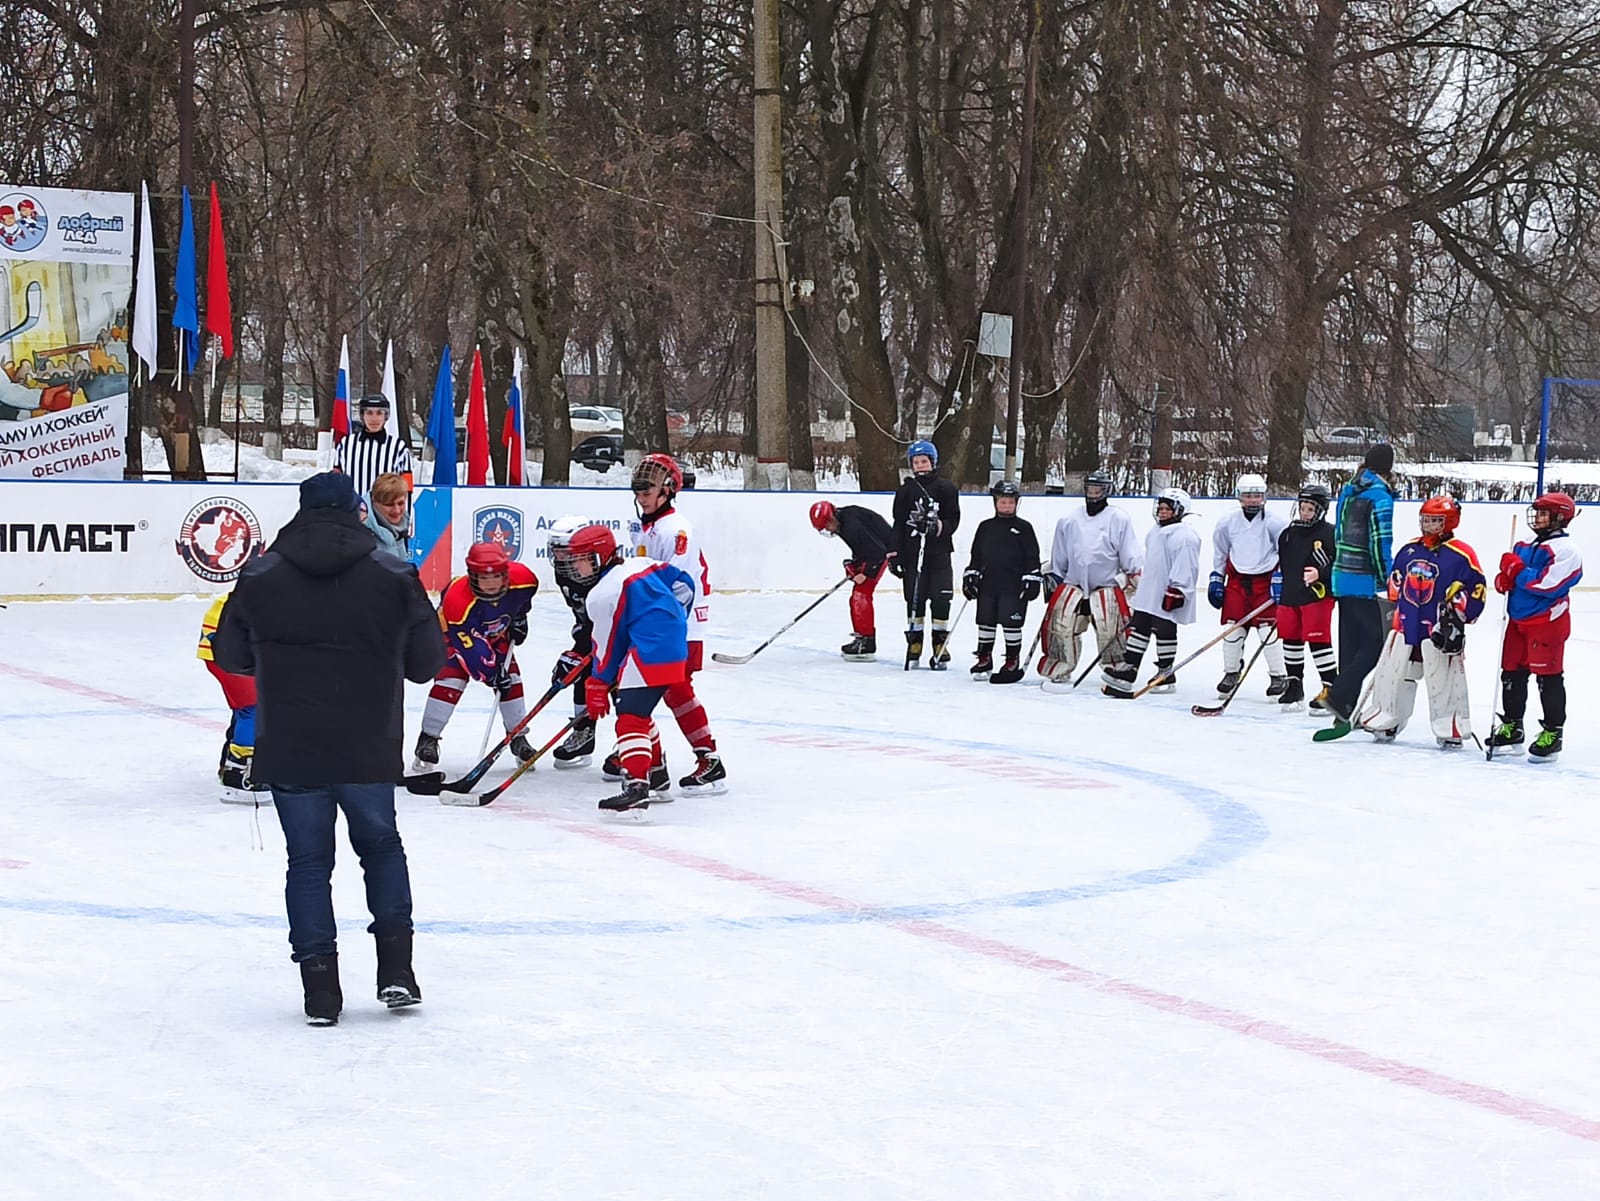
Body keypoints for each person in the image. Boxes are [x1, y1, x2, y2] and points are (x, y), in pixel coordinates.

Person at [212, 470, 445, 1027]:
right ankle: (397, 972)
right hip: (367, 740)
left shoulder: (261, 573)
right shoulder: (393, 572)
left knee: (309, 864)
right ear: (356, 511)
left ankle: (320, 992)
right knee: (382, 848)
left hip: (291, 743)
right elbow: (426, 665)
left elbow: (232, 655)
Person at [571, 523, 696, 813]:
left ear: (597, 558)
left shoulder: (602, 594)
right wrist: (673, 619)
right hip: (675, 646)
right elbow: (684, 583)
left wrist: (598, 683)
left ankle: (637, 786)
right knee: (640, 710)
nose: (574, 566)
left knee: (630, 719)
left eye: (579, 558)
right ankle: (659, 777)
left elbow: (608, 643)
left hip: (650, 652)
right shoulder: (641, 563)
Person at [625, 452, 726, 792]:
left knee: (672, 688)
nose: (642, 497)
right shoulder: (648, 527)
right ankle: (656, 756)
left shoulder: (676, 530)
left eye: (648, 490)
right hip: (661, 621)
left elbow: (677, 584)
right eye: (638, 491)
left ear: (667, 490)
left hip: (681, 622)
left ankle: (701, 759)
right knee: (662, 687)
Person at [1351, 494, 1486, 747]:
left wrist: (1459, 609)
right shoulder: (1409, 549)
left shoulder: (1462, 555)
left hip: (1439, 631)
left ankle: (1450, 728)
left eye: (1435, 521)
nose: (1428, 525)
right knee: (1394, 675)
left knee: (1443, 679)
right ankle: (1386, 719)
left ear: (1449, 522)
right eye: (1425, 520)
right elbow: (1396, 583)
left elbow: (1477, 591)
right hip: (1406, 625)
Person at [414, 541, 540, 770]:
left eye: (496, 576)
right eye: (484, 577)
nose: (491, 583)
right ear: (472, 576)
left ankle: (518, 737)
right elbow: (473, 654)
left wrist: (520, 618)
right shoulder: (458, 601)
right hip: (451, 637)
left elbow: (522, 602)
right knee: (451, 680)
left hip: (495, 635)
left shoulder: (525, 579)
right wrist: (492, 675)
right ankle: (428, 738)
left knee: (511, 681)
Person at [1488, 491, 1583, 761]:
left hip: (1546, 622)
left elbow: (1547, 584)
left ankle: (1553, 731)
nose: (1537, 517)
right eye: (1538, 512)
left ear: (1559, 517)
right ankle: (1512, 726)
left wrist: (1515, 572)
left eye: (1543, 513)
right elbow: (1513, 576)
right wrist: (1503, 579)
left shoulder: (1567, 551)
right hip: (1518, 619)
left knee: (1548, 677)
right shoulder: (1525, 543)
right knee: (1511, 673)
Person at [1038, 469, 1142, 689]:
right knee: (1062, 625)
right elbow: (1060, 556)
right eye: (1090, 489)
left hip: (1107, 587)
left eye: (1098, 490)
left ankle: (1116, 668)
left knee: (1110, 629)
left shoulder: (1118, 518)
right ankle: (1060, 665)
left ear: (1107, 491)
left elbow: (1129, 552)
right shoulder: (1069, 519)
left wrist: (1133, 575)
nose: (1093, 494)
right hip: (1074, 585)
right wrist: (1055, 577)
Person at [1320, 443, 1396, 727]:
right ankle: (1340, 696)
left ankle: (1344, 709)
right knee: (1376, 642)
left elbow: (1341, 533)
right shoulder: (1379, 497)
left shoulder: (1348, 491)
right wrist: (1386, 578)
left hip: (1341, 577)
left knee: (1350, 645)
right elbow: (1380, 541)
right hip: (1364, 579)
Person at [1103, 488, 1201, 695]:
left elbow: (1187, 565)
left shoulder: (1184, 535)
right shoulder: (1156, 530)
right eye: (1161, 508)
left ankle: (1166, 672)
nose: (1162, 512)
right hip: (1149, 590)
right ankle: (1130, 668)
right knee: (1140, 625)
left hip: (1167, 591)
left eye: (1168, 509)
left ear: (1180, 511)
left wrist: (1178, 589)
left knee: (1164, 629)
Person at [1208, 473, 1288, 697]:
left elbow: (1286, 553)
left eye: (1258, 496)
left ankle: (1278, 676)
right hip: (1238, 582)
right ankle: (1231, 672)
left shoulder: (1276, 523)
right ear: (1239, 497)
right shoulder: (1227, 522)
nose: (1253, 500)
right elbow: (1221, 552)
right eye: (1248, 496)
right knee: (1233, 630)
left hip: (1266, 581)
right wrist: (1216, 577)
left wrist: (1281, 577)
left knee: (1268, 632)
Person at [962, 480, 1042, 684]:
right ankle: (984, 657)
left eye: (1010, 502)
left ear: (1017, 503)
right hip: (988, 584)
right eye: (1002, 502)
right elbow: (976, 555)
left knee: (1011, 624)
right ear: (995, 502)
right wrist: (971, 574)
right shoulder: (985, 527)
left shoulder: (1024, 528)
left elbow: (1032, 557)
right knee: (985, 621)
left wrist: (1032, 578)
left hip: (1013, 587)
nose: (1006, 506)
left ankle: (1011, 659)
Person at [891, 439, 961, 668]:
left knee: (941, 598)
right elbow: (899, 524)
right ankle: (915, 643)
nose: (920, 465)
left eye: (924, 461)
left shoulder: (946, 488)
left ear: (933, 462)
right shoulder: (905, 490)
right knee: (915, 597)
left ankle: (940, 643)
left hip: (939, 554)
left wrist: (937, 526)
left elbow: (953, 519)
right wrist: (895, 555)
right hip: (913, 554)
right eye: (916, 462)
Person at [197, 591, 270, 804]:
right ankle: (240, 771)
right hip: (230, 656)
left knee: (247, 707)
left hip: (226, 653)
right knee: (253, 708)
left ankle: (231, 763)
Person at [1274, 483, 1339, 709]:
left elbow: (1341, 566)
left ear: (1321, 510)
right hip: (1290, 595)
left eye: (1310, 509)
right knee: (1290, 640)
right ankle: (1294, 684)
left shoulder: (1331, 533)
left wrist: (1321, 573)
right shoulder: (1287, 535)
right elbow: (1282, 565)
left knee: (1318, 641)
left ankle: (1331, 688)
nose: (1305, 512)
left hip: (1317, 596)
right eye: (1302, 507)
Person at [809, 499, 895, 661]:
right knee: (858, 595)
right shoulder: (844, 520)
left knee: (861, 595)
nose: (828, 529)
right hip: (875, 554)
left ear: (832, 517)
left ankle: (866, 643)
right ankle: (863, 638)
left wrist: (865, 572)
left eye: (827, 524)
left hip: (882, 555)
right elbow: (862, 546)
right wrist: (853, 564)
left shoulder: (851, 525)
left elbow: (878, 550)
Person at [334, 393, 413, 499]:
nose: (374, 418)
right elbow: (336, 481)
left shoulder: (398, 447)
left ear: (386, 416)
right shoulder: (346, 444)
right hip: (352, 511)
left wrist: (403, 514)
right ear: (362, 415)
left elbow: (406, 488)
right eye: (369, 413)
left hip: (385, 511)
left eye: (379, 413)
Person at [362, 471, 412, 562]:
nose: (397, 510)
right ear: (375, 502)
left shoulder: (401, 527)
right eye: (389, 505)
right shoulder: (361, 532)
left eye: (401, 503)